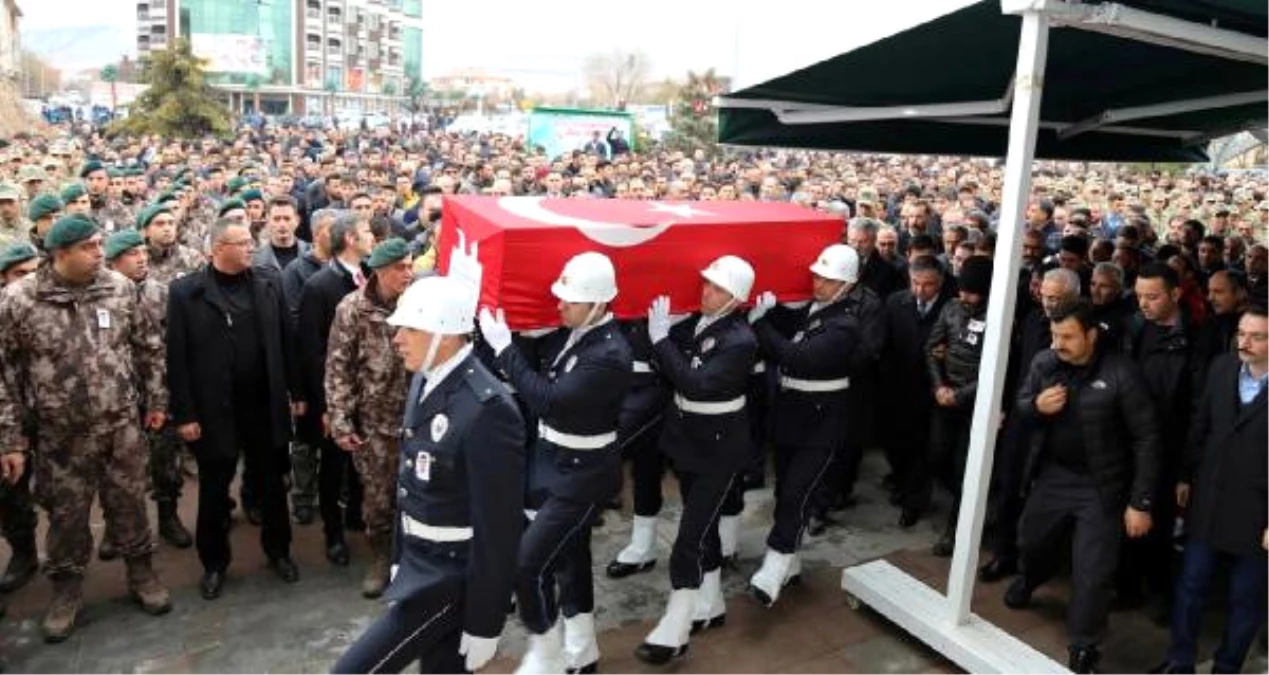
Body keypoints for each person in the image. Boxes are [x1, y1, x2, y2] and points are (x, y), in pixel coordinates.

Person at [332, 275, 526, 675]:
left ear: (446, 335)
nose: (397, 338)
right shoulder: (425, 377)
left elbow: (498, 527)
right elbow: (410, 485)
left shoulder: (487, 408)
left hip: (450, 577)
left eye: (410, 329)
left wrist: (485, 622)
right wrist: (401, 557)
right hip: (421, 562)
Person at [0, 214, 172, 642]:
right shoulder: (20, 301)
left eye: (100, 244)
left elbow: (148, 347)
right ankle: (67, 591)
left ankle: (142, 574)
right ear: (60, 254)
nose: (100, 253)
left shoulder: (118, 289)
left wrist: (156, 401)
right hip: (60, 436)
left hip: (120, 425)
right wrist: (12, 438)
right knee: (66, 516)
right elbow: (3, 373)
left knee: (130, 503)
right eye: (90, 247)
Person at [478, 252, 632, 675]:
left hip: (583, 473)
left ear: (599, 305)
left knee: (528, 562)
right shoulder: (575, 334)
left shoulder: (610, 353)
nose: (559, 305)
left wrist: (506, 350)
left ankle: (544, 652)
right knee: (570, 556)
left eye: (570, 300)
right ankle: (581, 649)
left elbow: (549, 400)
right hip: (550, 460)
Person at [1004, 299, 1159, 675]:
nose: (1058, 343)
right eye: (1054, 334)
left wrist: (1140, 501)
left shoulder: (1122, 373)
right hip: (1055, 475)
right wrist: (1037, 406)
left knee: (1092, 571)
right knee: (1030, 538)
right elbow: (1021, 403)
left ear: (1091, 334)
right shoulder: (1045, 362)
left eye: (1068, 336)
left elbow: (1147, 438)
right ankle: (1030, 577)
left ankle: (1085, 646)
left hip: (1101, 485)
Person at [166, 217, 305, 600]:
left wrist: (296, 391)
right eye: (241, 242)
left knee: (272, 487)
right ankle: (213, 564)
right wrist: (186, 414)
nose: (250, 247)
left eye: (250, 241)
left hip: (263, 404)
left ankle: (279, 551)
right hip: (214, 412)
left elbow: (286, 342)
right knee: (213, 491)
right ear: (217, 249)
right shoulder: (186, 293)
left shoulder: (267, 282)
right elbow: (177, 359)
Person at [634, 256, 758, 664]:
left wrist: (662, 341)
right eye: (706, 284)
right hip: (687, 441)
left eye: (718, 289)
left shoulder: (740, 340)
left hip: (719, 450)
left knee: (687, 539)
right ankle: (712, 602)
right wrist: (660, 332)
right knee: (701, 529)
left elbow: (697, 383)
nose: (706, 291)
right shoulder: (696, 325)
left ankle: (676, 626)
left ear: (737, 298)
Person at [1151, 305, 1269, 675]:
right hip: (1210, 499)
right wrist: (1186, 475)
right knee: (1190, 587)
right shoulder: (1222, 368)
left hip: (1257, 514)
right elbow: (1200, 423)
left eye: (1256, 336)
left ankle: (1227, 667)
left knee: (1245, 599)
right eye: (1241, 332)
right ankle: (1180, 661)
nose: (1244, 342)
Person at [746, 244, 864, 607]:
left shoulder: (845, 325)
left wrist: (761, 323)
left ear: (847, 285)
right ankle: (791, 563)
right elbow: (785, 336)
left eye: (828, 280)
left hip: (822, 421)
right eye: (817, 276)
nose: (819, 284)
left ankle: (774, 564)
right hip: (792, 414)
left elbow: (798, 357)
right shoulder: (814, 310)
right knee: (786, 491)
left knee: (799, 493)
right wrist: (772, 310)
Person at [323, 238, 414, 598]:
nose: (408, 273)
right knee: (378, 497)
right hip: (375, 422)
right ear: (378, 271)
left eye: (409, 265)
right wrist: (341, 420)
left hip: (418, 416)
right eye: (399, 268)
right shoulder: (352, 308)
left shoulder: (420, 301)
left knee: (421, 492)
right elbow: (338, 367)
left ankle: (415, 558)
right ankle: (381, 557)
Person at [104, 225, 193, 550]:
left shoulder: (162, 292)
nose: (142, 259)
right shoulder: (101, 295)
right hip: (116, 394)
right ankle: (115, 527)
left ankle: (169, 517)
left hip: (159, 389)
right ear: (112, 262)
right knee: (114, 469)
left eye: (143, 252)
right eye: (132, 254)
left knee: (165, 461)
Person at [298, 212, 375, 567]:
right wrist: (326, 405)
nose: (372, 237)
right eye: (365, 232)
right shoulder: (319, 286)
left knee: (364, 458)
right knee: (332, 467)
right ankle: (333, 533)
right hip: (336, 395)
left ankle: (357, 515)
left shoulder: (371, 277)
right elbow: (312, 352)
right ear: (349, 240)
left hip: (369, 392)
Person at [923, 255, 993, 556]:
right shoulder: (951, 308)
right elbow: (930, 347)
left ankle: (955, 530)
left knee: (967, 467)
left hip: (975, 403)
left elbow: (995, 367)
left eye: (972, 291)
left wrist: (960, 395)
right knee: (937, 454)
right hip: (945, 395)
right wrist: (939, 385)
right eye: (962, 289)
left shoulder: (999, 317)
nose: (965, 296)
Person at [880, 255, 947, 527]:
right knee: (896, 443)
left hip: (931, 390)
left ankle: (914, 501)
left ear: (940, 282)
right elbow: (885, 344)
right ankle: (902, 481)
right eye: (915, 283)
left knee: (922, 448)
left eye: (928, 285)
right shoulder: (896, 302)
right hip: (897, 387)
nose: (920, 290)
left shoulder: (950, 308)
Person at [281, 207, 336, 525]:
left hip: (336, 366)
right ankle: (303, 496)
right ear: (317, 234)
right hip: (307, 367)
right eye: (332, 230)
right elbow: (294, 325)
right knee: (304, 439)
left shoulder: (347, 270)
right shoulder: (296, 272)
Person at [0, 242, 43, 597]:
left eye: (34, 272)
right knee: (12, 492)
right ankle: (24, 552)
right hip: (11, 417)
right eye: (19, 274)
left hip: (52, 412)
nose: (28, 281)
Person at [143, 202, 206, 286]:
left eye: (171, 223)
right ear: (146, 231)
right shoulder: (139, 260)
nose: (167, 228)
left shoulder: (192, 257)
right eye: (160, 224)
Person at [253, 195, 311, 274]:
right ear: (267, 220)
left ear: (297, 220)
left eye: (287, 218)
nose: (282, 224)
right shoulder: (255, 259)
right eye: (276, 219)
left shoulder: (311, 253)